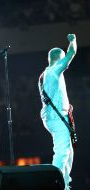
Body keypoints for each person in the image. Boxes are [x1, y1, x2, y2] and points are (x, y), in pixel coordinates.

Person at [38, 34, 77, 190]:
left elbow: (53, 96)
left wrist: (66, 105)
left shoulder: (44, 75)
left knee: (68, 154)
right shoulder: (55, 70)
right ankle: (54, 184)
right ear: (58, 59)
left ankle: (65, 185)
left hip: (52, 116)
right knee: (62, 153)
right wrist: (72, 40)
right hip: (57, 117)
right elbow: (71, 53)